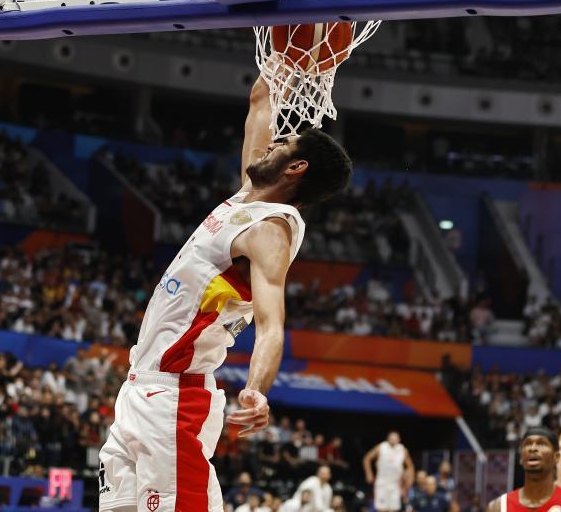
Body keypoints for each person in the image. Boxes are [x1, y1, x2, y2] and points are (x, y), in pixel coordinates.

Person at [97, 75, 353, 512]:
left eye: (283, 144)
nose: (271, 144)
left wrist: (257, 389)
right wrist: (286, 54)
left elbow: (272, 326)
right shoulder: (245, 199)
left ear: (296, 169)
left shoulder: (269, 230)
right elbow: (260, 101)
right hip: (139, 389)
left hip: (176, 398)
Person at [486, 428, 561, 512]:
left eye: (541, 444)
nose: (533, 448)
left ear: (556, 457)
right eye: (527, 444)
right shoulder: (498, 507)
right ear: (521, 458)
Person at [363, 431, 414, 512]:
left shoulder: (402, 450)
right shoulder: (381, 447)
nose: (393, 439)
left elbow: (410, 466)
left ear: (399, 439)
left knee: (393, 509)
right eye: (391, 437)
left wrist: (409, 481)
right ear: (388, 438)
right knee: (382, 509)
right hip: (382, 482)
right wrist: (369, 473)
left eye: (395, 437)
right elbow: (367, 459)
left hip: (395, 484)